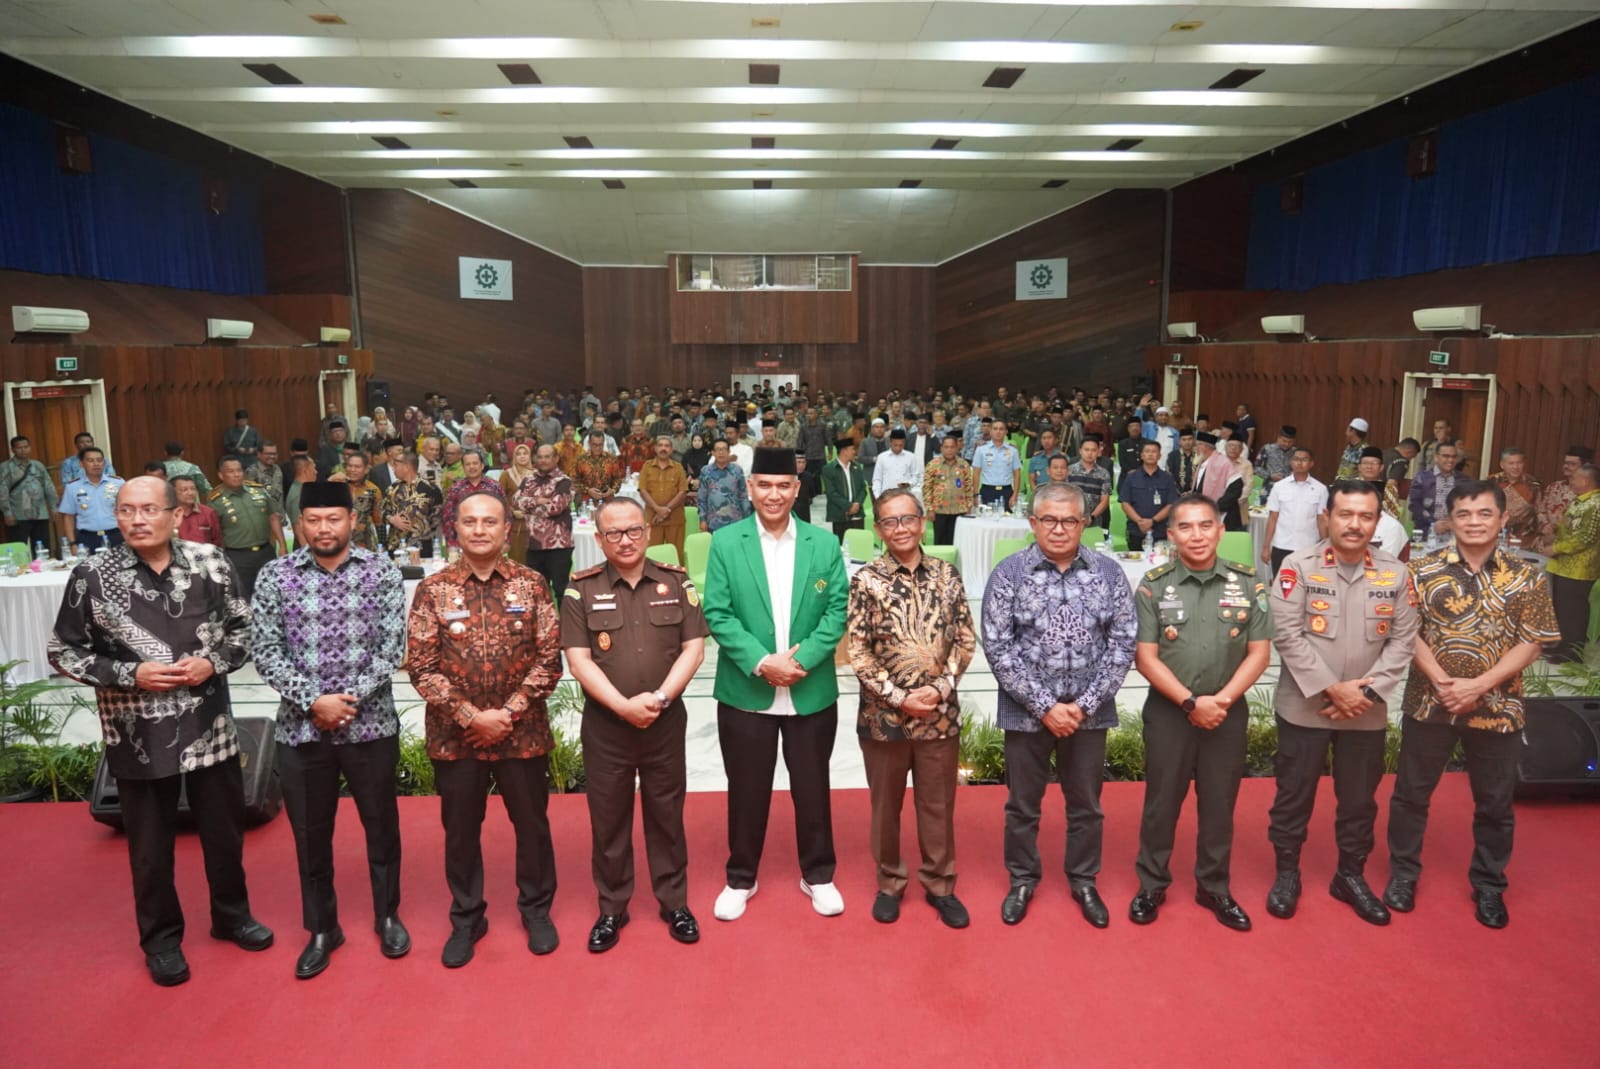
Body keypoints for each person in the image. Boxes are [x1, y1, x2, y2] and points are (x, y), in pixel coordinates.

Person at [47, 476, 271, 986]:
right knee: (149, 846)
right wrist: (130, 674)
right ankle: (162, 940)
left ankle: (231, 917)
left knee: (224, 832)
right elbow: (64, 650)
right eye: (126, 510)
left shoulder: (211, 563)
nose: (136, 520)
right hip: (137, 734)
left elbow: (243, 631)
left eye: (148, 509)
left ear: (176, 514)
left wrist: (212, 663)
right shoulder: (91, 574)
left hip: (207, 724)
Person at [250, 481, 410, 978]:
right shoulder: (275, 576)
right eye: (314, 520)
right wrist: (312, 700)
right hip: (302, 731)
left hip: (371, 726)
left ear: (352, 521)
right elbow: (265, 651)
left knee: (381, 829)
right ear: (300, 524)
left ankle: (388, 915)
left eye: (333, 519)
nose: (324, 528)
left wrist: (346, 701)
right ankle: (323, 927)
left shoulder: (381, 572)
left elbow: (392, 646)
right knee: (310, 835)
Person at [1386, 480, 1560, 929]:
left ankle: (1488, 884)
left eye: (1484, 513)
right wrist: (1445, 682)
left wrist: (1477, 685)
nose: (1474, 522)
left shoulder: (1527, 575)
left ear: (1503, 519)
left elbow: (1533, 642)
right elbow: (1406, 631)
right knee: (1410, 795)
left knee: (1495, 803)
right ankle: (1403, 875)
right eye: (1464, 514)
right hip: (1431, 701)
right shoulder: (1421, 571)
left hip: (1499, 706)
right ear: (1451, 520)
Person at [407, 491, 564, 966]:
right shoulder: (433, 590)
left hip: (523, 733)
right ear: (454, 528)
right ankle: (467, 917)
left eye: (489, 522)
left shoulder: (533, 584)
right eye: (470, 521)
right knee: (460, 831)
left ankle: (536, 910)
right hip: (457, 738)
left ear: (507, 529)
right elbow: (420, 665)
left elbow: (549, 658)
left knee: (532, 828)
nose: (480, 530)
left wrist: (507, 715)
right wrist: (470, 716)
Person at [702, 448, 850, 921]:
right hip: (747, 691)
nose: (773, 494)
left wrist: (800, 660)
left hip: (809, 689)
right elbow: (718, 614)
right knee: (746, 790)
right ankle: (741, 877)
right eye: (763, 484)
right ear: (749, 488)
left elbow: (837, 611)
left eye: (783, 485)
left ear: (797, 489)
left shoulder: (823, 543)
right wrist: (764, 663)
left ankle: (819, 874)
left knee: (813, 788)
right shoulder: (726, 543)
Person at [1264, 481, 1420, 926]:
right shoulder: (1298, 566)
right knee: (1293, 797)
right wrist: (1334, 689)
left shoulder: (1395, 573)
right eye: (1346, 514)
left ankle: (1349, 876)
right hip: (1305, 706)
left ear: (1378, 522)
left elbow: (1403, 640)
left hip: (1365, 713)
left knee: (1359, 800)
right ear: (1328, 517)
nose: (1355, 524)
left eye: (1365, 516)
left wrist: (1366, 694)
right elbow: (1287, 636)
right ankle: (1287, 874)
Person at [983, 483, 1136, 928]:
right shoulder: (1009, 573)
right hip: (1026, 710)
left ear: (1085, 522)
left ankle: (1084, 879)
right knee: (1022, 805)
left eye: (1070, 520)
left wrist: (1084, 705)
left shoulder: (1109, 573)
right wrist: (1045, 705)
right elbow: (998, 647)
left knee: (1086, 805)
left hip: (1090, 712)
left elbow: (1124, 642)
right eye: (1048, 519)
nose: (1058, 528)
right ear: (1032, 522)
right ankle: (1023, 879)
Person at [562, 498, 708, 953]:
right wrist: (623, 706)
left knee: (667, 815)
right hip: (607, 727)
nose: (625, 540)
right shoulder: (578, 590)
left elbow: (694, 649)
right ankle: (612, 907)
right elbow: (579, 661)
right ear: (600, 539)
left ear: (647, 531)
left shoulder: (676, 582)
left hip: (664, 722)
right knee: (609, 820)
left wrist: (661, 698)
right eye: (614, 534)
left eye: (633, 531)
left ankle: (674, 902)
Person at [1129, 493, 1273, 931]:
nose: (1196, 535)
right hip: (1171, 711)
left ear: (1220, 529)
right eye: (1186, 527)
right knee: (1161, 802)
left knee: (1219, 803)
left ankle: (1214, 886)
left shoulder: (1249, 584)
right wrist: (1192, 703)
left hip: (1227, 711)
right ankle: (1151, 883)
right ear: (1171, 535)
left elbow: (1260, 654)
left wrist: (1221, 701)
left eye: (1205, 525)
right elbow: (1146, 658)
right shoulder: (1154, 584)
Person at [848, 490, 977, 927]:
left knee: (938, 805)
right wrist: (900, 697)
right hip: (884, 719)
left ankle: (941, 884)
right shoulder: (866, 580)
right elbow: (858, 651)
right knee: (885, 807)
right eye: (889, 522)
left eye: (907, 519)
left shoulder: (947, 574)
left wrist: (940, 689)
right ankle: (889, 882)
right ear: (878, 530)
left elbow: (964, 638)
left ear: (923, 523)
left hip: (939, 715)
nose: (899, 528)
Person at [209, 456, 285, 598]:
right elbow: (216, 532)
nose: (237, 474)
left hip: (265, 551)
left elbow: (273, 517)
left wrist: (282, 545)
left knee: (274, 592)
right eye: (231, 471)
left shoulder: (258, 490)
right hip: (238, 556)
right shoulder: (215, 501)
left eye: (239, 470)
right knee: (245, 596)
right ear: (221, 475)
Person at [1547, 463, 1599, 662]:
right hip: (1563, 566)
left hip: (1580, 568)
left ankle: (1573, 653)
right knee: (1562, 610)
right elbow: (1570, 529)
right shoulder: (1579, 501)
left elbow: (1586, 538)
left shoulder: (1595, 504)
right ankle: (1560, 645)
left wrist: (1556, 548)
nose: (1571, 481)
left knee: (1574, 613)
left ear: (1586, 481)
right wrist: (1555, 529)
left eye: (1575, 478)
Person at [515, 444, 576, 598]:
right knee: (535, 590)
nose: (542, 460)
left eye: (547, 456)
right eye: (540, 457)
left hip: (559, 545)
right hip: (534, 545)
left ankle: (565, 622)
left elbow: (555, 507)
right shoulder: (528, 480)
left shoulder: (564, 481)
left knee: (561, 589)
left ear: (556, 458)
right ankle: (540, 622)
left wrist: (529, 505)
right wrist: (538, 501)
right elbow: (516, 501)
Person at [1261, 446, 1328, 577]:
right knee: (1281, 585)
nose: (1299, 463)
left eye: (1304, 460)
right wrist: (1266, 547)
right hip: (1282, 545)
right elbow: (1273, 518)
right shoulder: (1279, 487)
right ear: (1291, 462)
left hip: (1308, 547)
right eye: (1296, 459)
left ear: (1311, 463)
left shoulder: (1321, 489)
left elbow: (1321, 520)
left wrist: (1326, 547)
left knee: (1306, 585)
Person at [57, 445, 124, 551]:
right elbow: (68, 517)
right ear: (81, 464)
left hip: (116, 536)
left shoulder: (118, 483)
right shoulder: (73, 487)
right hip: (87, 539)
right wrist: (72, 543)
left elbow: (128, 511)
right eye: (90, 461)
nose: (96, 464)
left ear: (104, 463)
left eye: (99, 460)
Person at [1119, 440, 1180, 552]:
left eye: (1154, 452)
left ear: (1160, 455)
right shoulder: (1131, 477)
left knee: (1159, 565)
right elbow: (1124, 503)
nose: (1151, 454)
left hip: (1160, 531)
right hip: (1136, 530)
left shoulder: (1167, 478)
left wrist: (1152, 521)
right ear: (1142, 455)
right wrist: (1140, 521)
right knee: (1136, 564)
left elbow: (1171, 504)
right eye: (1147, 451)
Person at [2, 435, 60, 553]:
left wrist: (55, 507)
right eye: (19, 448)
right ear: (13, 449)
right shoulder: (5, 467)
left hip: (40, 514)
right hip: (18, 515)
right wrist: (7, 513)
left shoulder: (38, 465)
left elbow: (49, 486)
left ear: (30, 447)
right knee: (18, 549)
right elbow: (2, 492)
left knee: (43, 549)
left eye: (26, 447)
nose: (23, 450)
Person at [440, 448, 503, 550]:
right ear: (463, 467)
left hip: (490, 540)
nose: (471, 467)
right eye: (468, 464)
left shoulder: (494, 487)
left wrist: (504, 541)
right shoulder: (456, 489)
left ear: (482, 465)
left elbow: (504, 515)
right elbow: (447, 517)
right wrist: (451, 542)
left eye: (475, 463)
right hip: (463, 542)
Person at [382, 451, 443, 558]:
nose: (393, 468)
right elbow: (382, 512)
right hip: (395, 547)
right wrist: (392, 519)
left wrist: (420, 527)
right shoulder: (392, 489)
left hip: (422, 548)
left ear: (406, 467)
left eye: (396, 465)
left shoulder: (431, 489)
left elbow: (437, 518)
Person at [639, 436, 689, 563]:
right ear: (655, 448)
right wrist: (657, 509)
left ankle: (676, 581)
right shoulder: (647, 466)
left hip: (675, 518)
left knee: (677, 556)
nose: (663, 448)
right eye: (660, 445)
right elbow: (643, 490)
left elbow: (683, 491)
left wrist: (666, 510)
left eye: (667, 446)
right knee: (652, 554)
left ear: (671, 449)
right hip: (653, 519)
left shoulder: (678, 467)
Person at [1536, 446, 1593, 555]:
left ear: (1585, 467)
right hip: (1546, 546)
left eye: (1572, 464)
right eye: (1565, 463)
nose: (1566, 466)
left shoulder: (1590, 493)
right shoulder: (1554, 486)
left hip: (1572, 551)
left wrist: (1559, 534)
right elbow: (1540, 511)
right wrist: (1545, 527)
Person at [922, 434, 975, 546]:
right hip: (939, 510)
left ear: (957, 448)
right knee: (940, 541)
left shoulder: (964, 465)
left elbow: (968, 487)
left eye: (952, 447)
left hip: (959, 510)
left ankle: (954, 564)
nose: (949, 450)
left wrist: (969, 506)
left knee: (957, 541)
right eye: (946, 447)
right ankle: (940, 562)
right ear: (941, 448)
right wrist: (930, 508)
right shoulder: (933, 465)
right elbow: (927, 488)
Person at [330, 450, 384, 551]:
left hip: (364, 543)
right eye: (349, 466)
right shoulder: (337, 484)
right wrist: (330, 480)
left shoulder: (373, 490)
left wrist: (383, 545)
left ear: (366, 469)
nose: (352, 470)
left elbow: (379, 522)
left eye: (357, 467)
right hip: (339, 541)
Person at [696, 439, 751, 534]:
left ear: (729, 451)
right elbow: (702, 498)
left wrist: (747, 518)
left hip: (735, 521)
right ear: (712, 452)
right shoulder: (706, 471)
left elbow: (743, 496)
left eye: (724, 449)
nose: (721, 452)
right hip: (713, 522)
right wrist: (702, 519)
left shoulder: (737, 470)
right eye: (717, 449)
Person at [1407, 442, 1460, 539]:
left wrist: (1454, 522)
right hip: (1426, 532)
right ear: (1436, 457)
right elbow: (1414, 504)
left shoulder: (1463, 480)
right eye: (1446, 456)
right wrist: (1433, 523)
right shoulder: (1422, 478)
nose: (1451, 460)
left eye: (1454, 457)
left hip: (1456, 534)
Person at [822, 438, 868, 542]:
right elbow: (831, 493)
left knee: (859, 546)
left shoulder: (857, 467)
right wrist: (848, 506)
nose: (854, 452)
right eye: (852, 449)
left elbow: (863, 489)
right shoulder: (829, 469)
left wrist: (857, 504)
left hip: (857, 513)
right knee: (843, 546)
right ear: (844, 450)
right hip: (839, 515)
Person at [500, 443, 539, 562]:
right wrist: (513, 511)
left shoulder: (537, 474)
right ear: (514, 457)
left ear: (530, 456)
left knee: (535, 561)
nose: (522, 456)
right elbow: (500, 498)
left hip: (535, 525)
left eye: (525, 453)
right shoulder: (506, 474)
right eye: (518, 454)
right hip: (515, 526)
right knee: (517, 560)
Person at [971, 420, 1022, 511]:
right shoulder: (981, 450)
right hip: (987, 490)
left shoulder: (1013, 450)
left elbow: (1017, 474)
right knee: (986, 522)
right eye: (995, 429)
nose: (998, 432)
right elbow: (976, 473)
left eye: (1001, 429)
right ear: (990, 431)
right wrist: (975, 495)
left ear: (1006, 432)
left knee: (1007, 521)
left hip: (1006, 490)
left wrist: (1015, 495)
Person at [573, 431, 625, 506]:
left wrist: (612, 490)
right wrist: (588, 490)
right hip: (586, 500)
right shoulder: (581, 460)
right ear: (589, 443)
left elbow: (617, 479)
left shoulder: (611, 459)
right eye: (595, 445)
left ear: (604, 443)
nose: (598, 448)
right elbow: (575, 481)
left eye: (601, 445)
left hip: (607, 500)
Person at [172, 474, 223, 547]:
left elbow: (217, 542)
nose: (190, 493)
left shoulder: (208, 513)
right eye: (184, 490)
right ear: (172, 492)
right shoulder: (167, 515)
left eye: (193, 489)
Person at [246, 441, 287, 510]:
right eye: (268, 454)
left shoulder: (277, 468)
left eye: (274, 454)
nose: (272, 456)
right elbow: (249, 497)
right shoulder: (251, 472)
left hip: (280, 515)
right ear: (259, 454)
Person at [285, 455, 317, 541]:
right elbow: (299, 528)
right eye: (314, 468)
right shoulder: (299, 494)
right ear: (305, 470)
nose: (316, 472)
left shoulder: (302, 488)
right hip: (304, 544)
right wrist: (306, 552)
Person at [1167, 428, 1199, 493]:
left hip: (1195, 495)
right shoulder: (1172, 456)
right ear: (1179, 441)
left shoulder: (1199, 455)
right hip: (1176, 495)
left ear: (1194, 440)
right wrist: (1180, 492)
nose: (1187, 442)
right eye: (1184, 440)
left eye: (1190, 439)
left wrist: (1192, 492)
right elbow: (1169, 476)